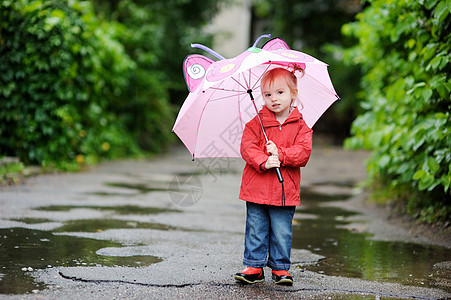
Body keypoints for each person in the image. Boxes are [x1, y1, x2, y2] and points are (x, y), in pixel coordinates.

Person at [234, 65, 313, 285]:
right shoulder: (256, 123)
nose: (274, 99)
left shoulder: (301, 126)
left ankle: (280, 268)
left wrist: (282, 154)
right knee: (256, 228)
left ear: (293, 93)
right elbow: (247, 147)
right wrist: (263, 160)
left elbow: (304, 152)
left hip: (284, 190)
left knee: (281, 230)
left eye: (280, 92)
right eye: (267, 94)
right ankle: (254, 265)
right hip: (256, 188)